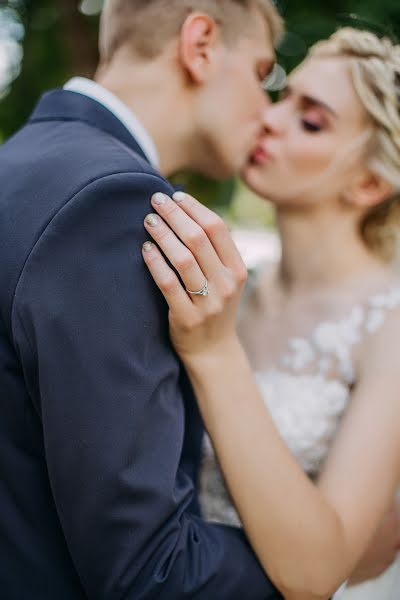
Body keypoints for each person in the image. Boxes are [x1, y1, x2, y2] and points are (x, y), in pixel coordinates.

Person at [0, 1, 285, 598]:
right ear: (201, 44)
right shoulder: (117, 202)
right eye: (262, 74)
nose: (267, 112)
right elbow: (152, 575)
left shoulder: (19, 164)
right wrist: (319, 560)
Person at [141, 27, 400, 599]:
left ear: (369, 183)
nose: (270, 119)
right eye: (283, 96)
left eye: (312, 120)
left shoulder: (391, 328)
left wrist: (214, 352)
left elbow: (316, 574)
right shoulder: (238, 285)